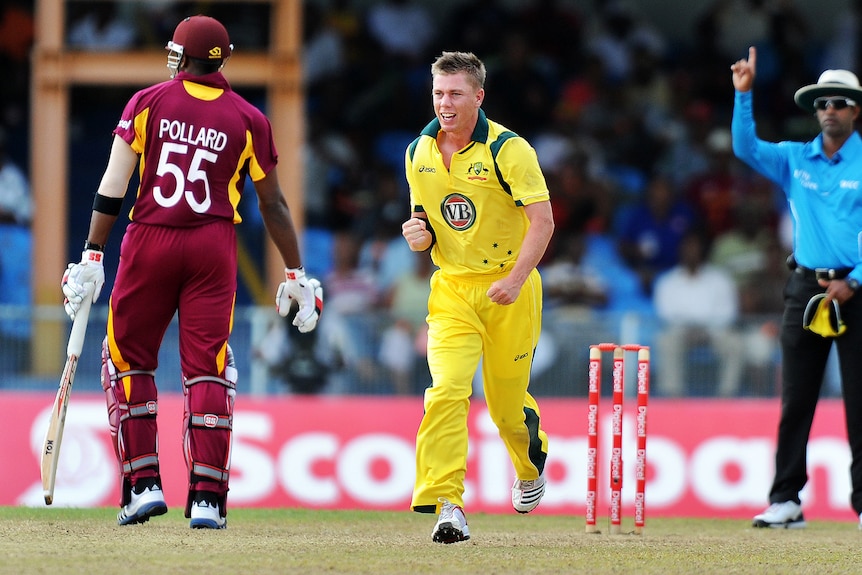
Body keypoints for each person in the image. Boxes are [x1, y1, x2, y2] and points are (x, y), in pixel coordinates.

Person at [60, 15, 323, 530]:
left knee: (127, 361)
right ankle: (207, 498)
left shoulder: (148, 101)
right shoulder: (250, 118)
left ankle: (142, 487)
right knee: (207, 367)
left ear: (184, 55)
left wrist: (92, 252)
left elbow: (114, 183)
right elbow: (274, 204)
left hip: (150, 240)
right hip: (212, 246)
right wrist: (295, 271)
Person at [401, 51, 554, 543]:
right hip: (452, 289)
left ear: (478, 96)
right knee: (446, 390)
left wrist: (515, 278)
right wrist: (418, 237)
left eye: (455, 94)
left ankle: (530, 468)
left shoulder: (509, 149)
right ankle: (448, 504)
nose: (445, 104)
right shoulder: (417, 153)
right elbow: (425, 226)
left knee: (506, 408)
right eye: (438, 93)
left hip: (511, 287)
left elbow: (543, 221)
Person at [731, 46, 862, 529]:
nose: (830, 109)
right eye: (823, 103)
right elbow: (746, 148)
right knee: (796, 398)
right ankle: (786, 500)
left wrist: (855, 280)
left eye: (840, 102)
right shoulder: (794, 159)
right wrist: (744, 96)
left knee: (860, 400)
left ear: (855, 110)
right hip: (806, 289)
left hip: (857, 290)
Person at [653, 229, 744, 397]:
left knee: (734, 343)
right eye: (687, 247)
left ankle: (727, 396)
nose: (691, 251)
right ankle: (673, 397)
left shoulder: (720, 279)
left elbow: (728, 312)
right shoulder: (667, 281)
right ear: (680, 250)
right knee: (665, 341)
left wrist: (706, 328)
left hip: (714, 331)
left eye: (695, 247)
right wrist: (689, 327)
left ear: (702, 249)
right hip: (681, 331)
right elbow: (665, 313)